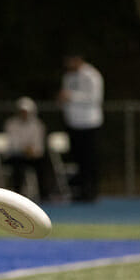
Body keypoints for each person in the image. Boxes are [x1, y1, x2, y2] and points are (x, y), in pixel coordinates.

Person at [57, 54, 104, 202]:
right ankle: (80, 191)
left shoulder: (92, 75)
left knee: (89, 159)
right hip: (73, 123)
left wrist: (71, 96)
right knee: (77, 159)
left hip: (90, 123)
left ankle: (92, 191)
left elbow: (95, 98)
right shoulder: (68, 77)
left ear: (77, 59)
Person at [2, 97, 50, 200]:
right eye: (22, 111)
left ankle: (45, 195)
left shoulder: (38, 125)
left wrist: (33, 151)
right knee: (17, 166)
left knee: (43, 163)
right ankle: (17, 195)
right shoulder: (11, 124)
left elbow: (39, 146)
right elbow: (13, 143)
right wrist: (24, 149)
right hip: (16, 155)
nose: (24, 113)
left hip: (33, 156)